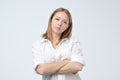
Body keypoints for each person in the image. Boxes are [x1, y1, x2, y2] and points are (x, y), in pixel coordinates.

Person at [32, 7, 85, 80]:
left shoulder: (73, 43)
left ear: (67, 26)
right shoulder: (39, 44)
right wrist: (67, 63)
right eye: (57, 19)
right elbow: (42, 70)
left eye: (64, 22)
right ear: (51, 20)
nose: (60, 23)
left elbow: (77, 66)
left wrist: (49, 68)